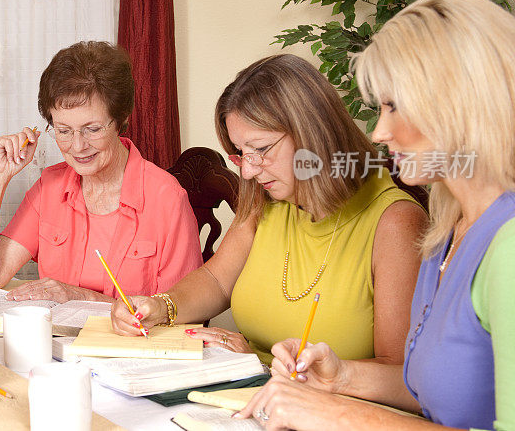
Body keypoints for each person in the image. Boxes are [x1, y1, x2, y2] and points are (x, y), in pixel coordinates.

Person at [241, 0, 515, 430]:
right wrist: (341, 378)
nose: (380, 131)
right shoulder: (446, 233)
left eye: (394, 106)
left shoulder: (509, 248)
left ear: (461, 101)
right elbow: (441, 390)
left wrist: (340, 414)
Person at [111, 53, 427, 366]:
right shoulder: (267, 199)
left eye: (261, 149)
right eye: (241, 152)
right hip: (254, 392)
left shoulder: (395, 222)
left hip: (329, 408)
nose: (247, 171)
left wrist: (266, 371)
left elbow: (401, 373)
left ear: (313, 133)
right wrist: (162, 305)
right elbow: (216, 279)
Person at [0, 41, 202, 303]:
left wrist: (82, 297)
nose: (78, 146)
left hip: (128, 345)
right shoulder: (49, 187)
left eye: (93, 129)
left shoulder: (167, 199)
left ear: (120, 119)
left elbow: (180, 314)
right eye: (63, 131)